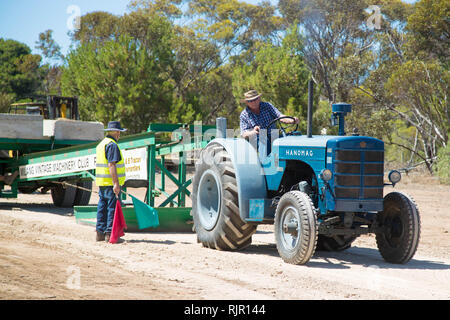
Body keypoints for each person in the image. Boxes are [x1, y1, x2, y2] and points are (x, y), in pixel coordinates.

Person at [95, 121, 127, 242]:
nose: (119, 135)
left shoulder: (101, 144)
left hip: (102, 181)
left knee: (102, 207)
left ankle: (99, 233)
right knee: (111, 208)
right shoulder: (112, 145)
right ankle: (110, 234)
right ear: (117, 132)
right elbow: (111, 165)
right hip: (110, 182)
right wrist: (116, 184)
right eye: (119, 132)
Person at [239, 90, 299, 154]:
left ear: (259, 99)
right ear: (246, 102)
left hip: (273, 135)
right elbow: (244, 134)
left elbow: (280, 116)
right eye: (250, 101)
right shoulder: (244, 115)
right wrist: (253, 132)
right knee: (263, 139)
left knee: (292, 137)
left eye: (255, 99)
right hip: (257, 139)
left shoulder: (267, 106)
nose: (253, 102)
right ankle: (266, 162)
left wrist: (292, 120)